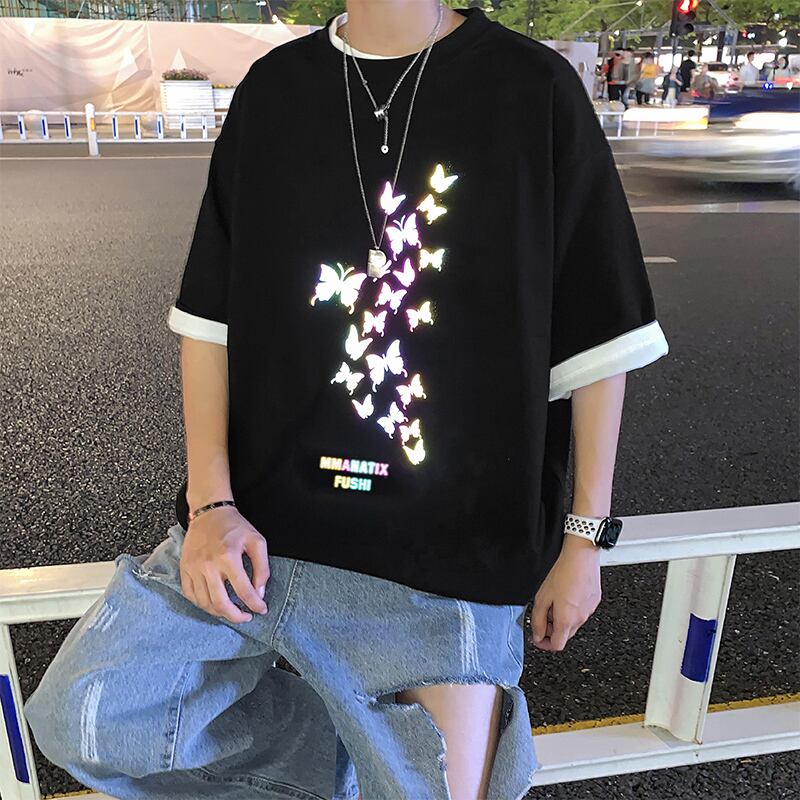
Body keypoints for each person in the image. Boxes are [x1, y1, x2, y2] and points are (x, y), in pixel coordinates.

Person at [23, 3, 669, 799]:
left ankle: (385, 754)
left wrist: (584, 539)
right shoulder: (274, 89)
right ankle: (356, 759)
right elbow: (209, 326)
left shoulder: (533, 87)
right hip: (263, 538)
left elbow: (599, 339)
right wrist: (210, 505)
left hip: (448, 558)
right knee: (82, 717)